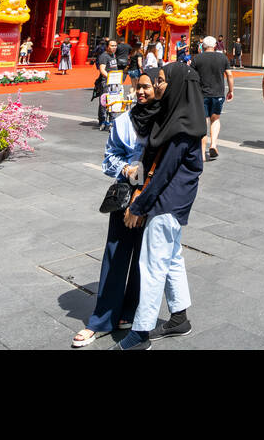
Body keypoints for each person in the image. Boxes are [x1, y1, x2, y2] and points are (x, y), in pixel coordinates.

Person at [116, 61, 207, 350]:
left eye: (163, 81)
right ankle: (179, 318)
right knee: (171, 257)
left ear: (178, 85)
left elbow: (165, 172)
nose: (158, 85)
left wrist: (140, 205)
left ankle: (140, 333)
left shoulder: (180, 127)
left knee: (152, 263)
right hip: (175, 200)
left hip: (168, 201)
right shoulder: (178, 116)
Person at [71, 67, 163, 347]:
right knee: (116, 253)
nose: (143, 91)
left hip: (153, 195)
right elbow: (110, 157)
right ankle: (101, 318)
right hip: (125, 195)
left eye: (149, 86)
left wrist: (145, 183)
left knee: (143, 258)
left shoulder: (165, 121)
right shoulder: (124, 121)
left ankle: (129, 310)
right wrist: (127, 170)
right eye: (140, 86)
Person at [193, 36, 234, 161]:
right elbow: (229, 75)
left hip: (201, 94)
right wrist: (231, 90)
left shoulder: (197, 58)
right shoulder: (222, 57)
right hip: (218, 94)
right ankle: (214, 145)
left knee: (203, 121)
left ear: (203, 46)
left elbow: (192, 77)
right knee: (215, 119)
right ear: (215, 45)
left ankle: (202, 151)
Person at [95, 39, 118, 130]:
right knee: (104, 102)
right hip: (106, 82)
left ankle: (112, 120)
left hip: (114, 82)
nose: (114, 47)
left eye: (115, 45)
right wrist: (110, 78)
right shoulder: (104, 56)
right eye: (112, 46)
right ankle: (102, 121)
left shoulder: (113, 55)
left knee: (113, 101)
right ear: (107, 46)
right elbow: (102, 70)